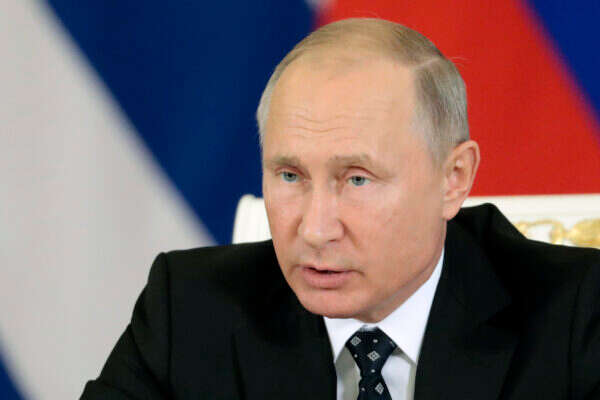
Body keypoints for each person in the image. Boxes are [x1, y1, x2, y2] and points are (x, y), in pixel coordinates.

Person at [81, 18, 600, 400]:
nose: (315, 229)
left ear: (453, 178)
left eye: (356, 179)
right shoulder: (191, 309)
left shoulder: (576, 317)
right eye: (290, 176)